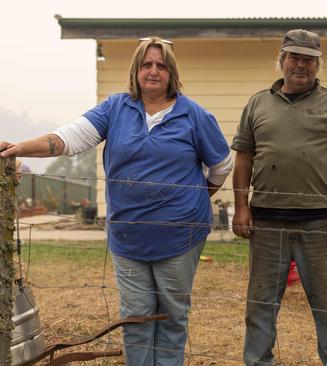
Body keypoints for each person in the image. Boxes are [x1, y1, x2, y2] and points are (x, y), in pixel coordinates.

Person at [0, 37, 233, 365]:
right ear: (136, 70)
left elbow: (222, 166)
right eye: (146, 64)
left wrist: (192, 200)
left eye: (161, 65)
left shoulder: (194, 115)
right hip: (127, 238)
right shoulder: (116, 108)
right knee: (135, 318)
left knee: (172, 316)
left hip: (181, 237)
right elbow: (69, 138)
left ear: (172, 72)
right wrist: (20, 148)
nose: (153, 71)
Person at [231, 29, 327, 365]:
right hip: (267, 222)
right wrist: (241, 207)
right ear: (282, 59)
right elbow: (243, 158)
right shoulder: (257, 103)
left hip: (319, 223)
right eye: (294, 57)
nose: (300, 65)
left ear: (318, 64)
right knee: (260, 305)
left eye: (308, 59)